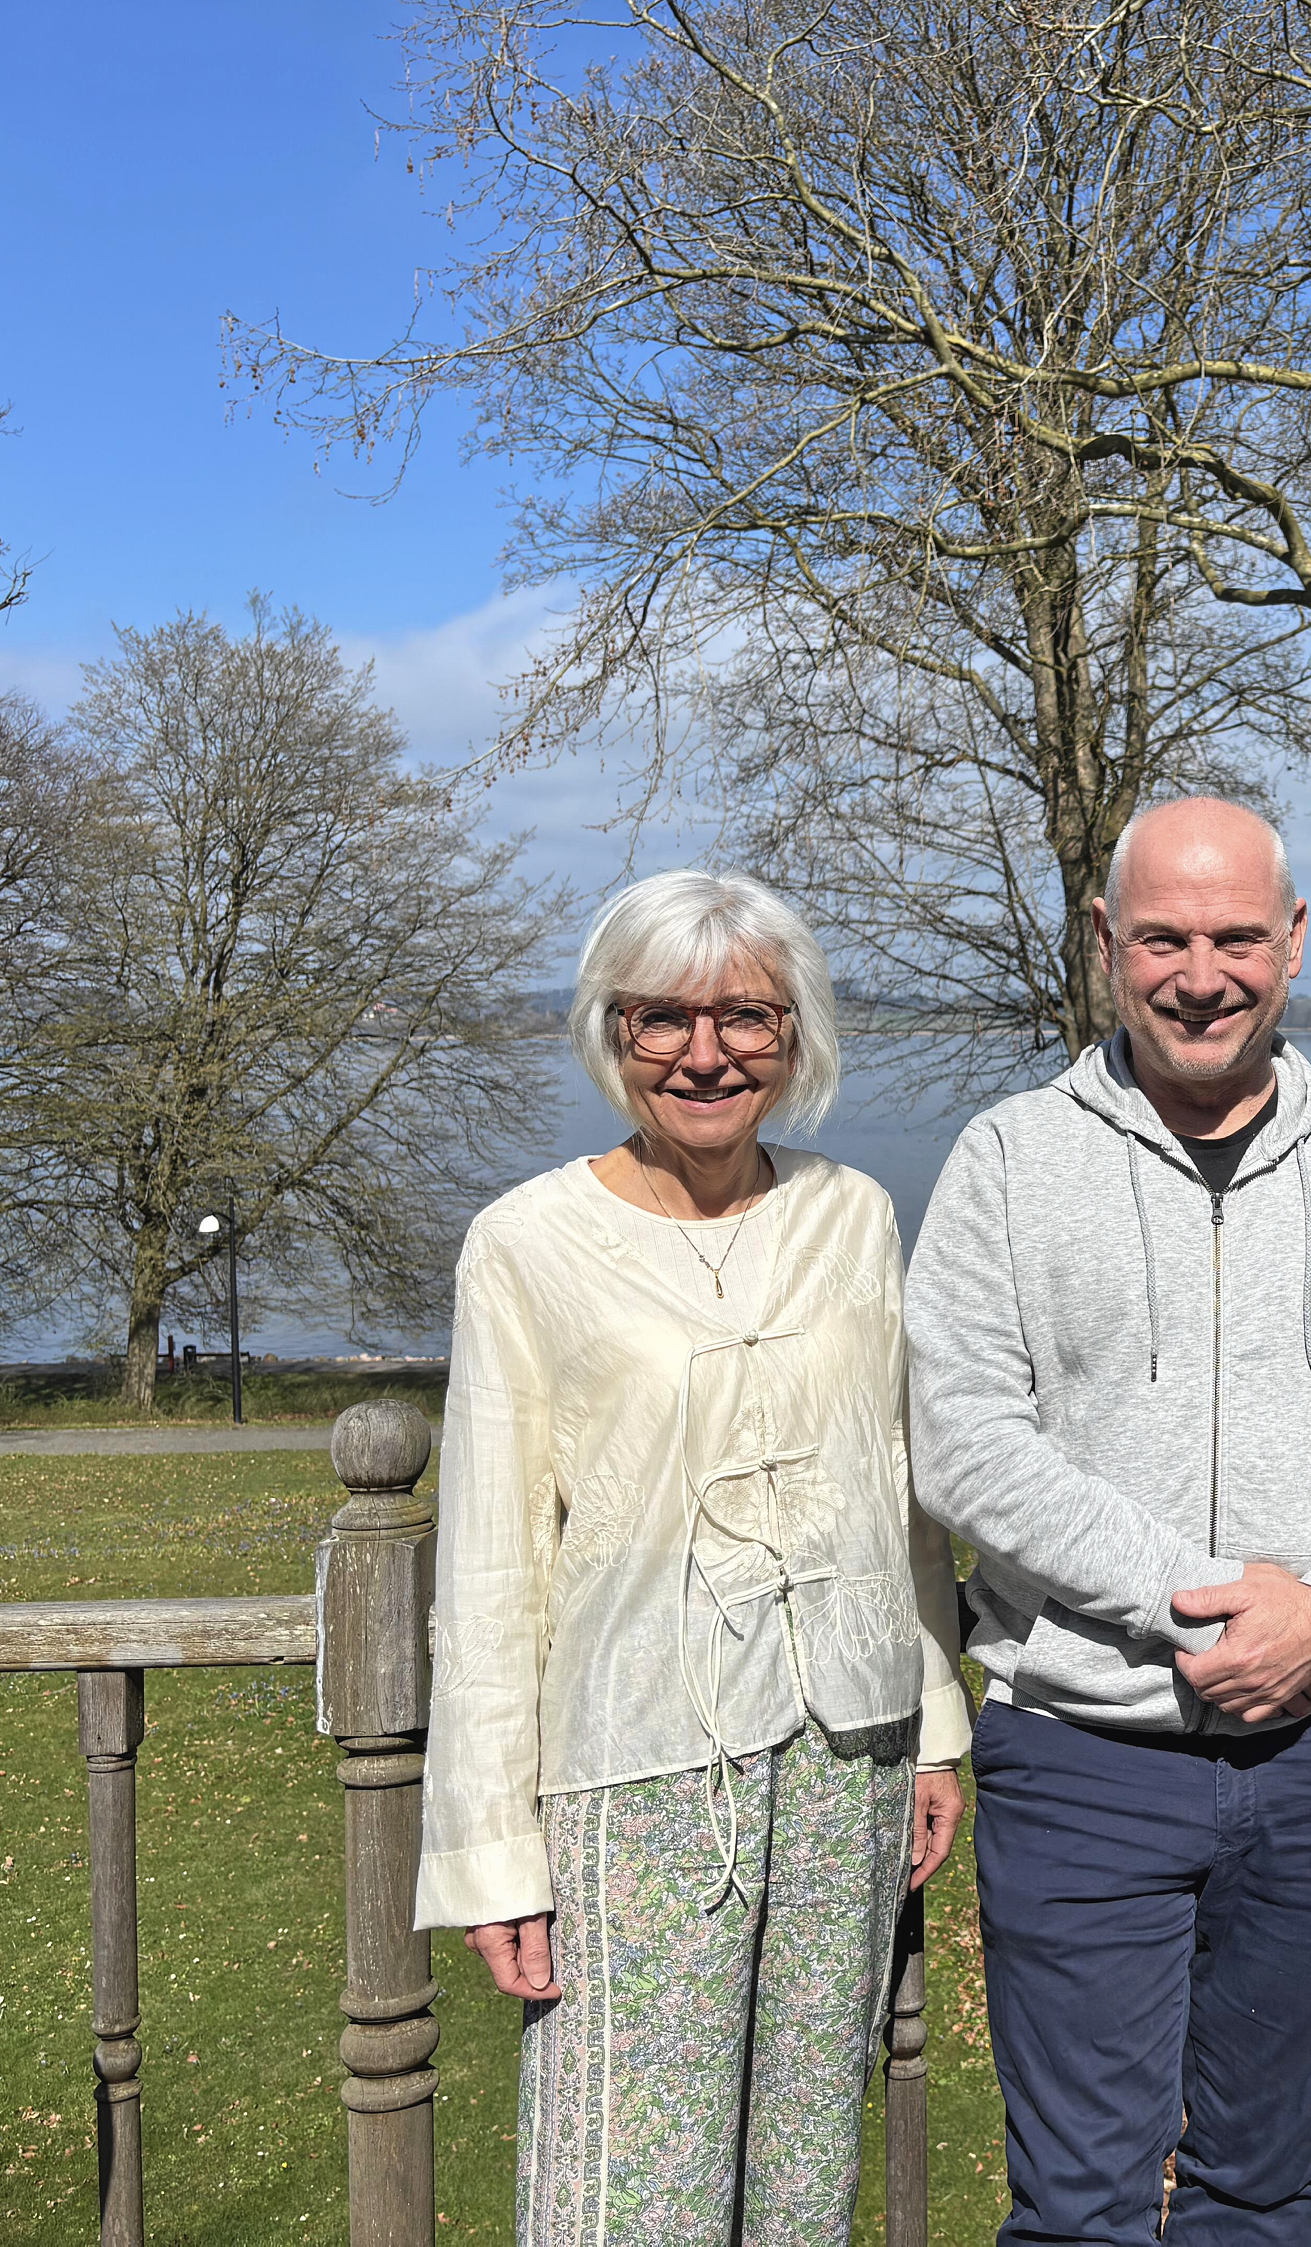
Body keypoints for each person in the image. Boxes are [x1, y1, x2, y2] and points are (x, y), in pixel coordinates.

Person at [907, 797, 1311, 2247]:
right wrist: (1205, 1597)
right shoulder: (1006, 1161)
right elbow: (964, 1442)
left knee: (1260, 2190)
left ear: (1292, 945)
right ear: (1107, 944)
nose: (1201, 972)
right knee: (1077, 2209)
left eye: (1236, 936)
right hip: (1085, 1758)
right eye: (1162, 938)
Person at [417, 870, 972, 2247]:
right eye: (663, 1016)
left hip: (849, 1762)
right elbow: (489, 1569)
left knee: (801, 2180)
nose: (707, 1054)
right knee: (627, 2192)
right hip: (643, 1782)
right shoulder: (528, 1245)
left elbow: (894, 1498)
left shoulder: (852, 1219)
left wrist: (937, 1728)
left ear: (797, 1035)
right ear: (612, 1031)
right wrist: (494, 1852)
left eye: (748, 1017)